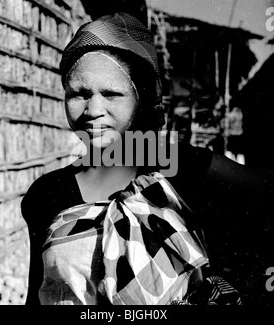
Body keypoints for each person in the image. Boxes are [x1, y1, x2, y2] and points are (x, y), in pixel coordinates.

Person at [21, 12, 274, 305]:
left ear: (140, 98)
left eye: (112, 94)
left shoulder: (181, 165)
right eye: (78, 94)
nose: (93, 110)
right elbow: (37, 296)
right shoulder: (47, 194)